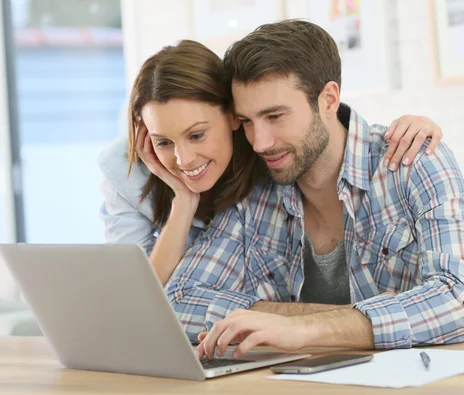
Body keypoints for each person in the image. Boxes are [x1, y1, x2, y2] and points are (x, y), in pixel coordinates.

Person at [153, 20, 464, 359]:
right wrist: (288, 323)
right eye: (246, 121)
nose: (259, 142)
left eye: (275, 116)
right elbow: (178, 300)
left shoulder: (412, 162)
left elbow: (457, 295)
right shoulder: (255, 193)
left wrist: (304, 330)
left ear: (328, 100)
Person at [98, 41, 444, 287]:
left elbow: (317, 119)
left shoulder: (267, 154)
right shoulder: (126, 172)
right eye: (163, 142)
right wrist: (182, 204)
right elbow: (139, 302)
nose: (182, 159)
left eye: (198, 135)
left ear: (231, 117)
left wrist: (416, 127)